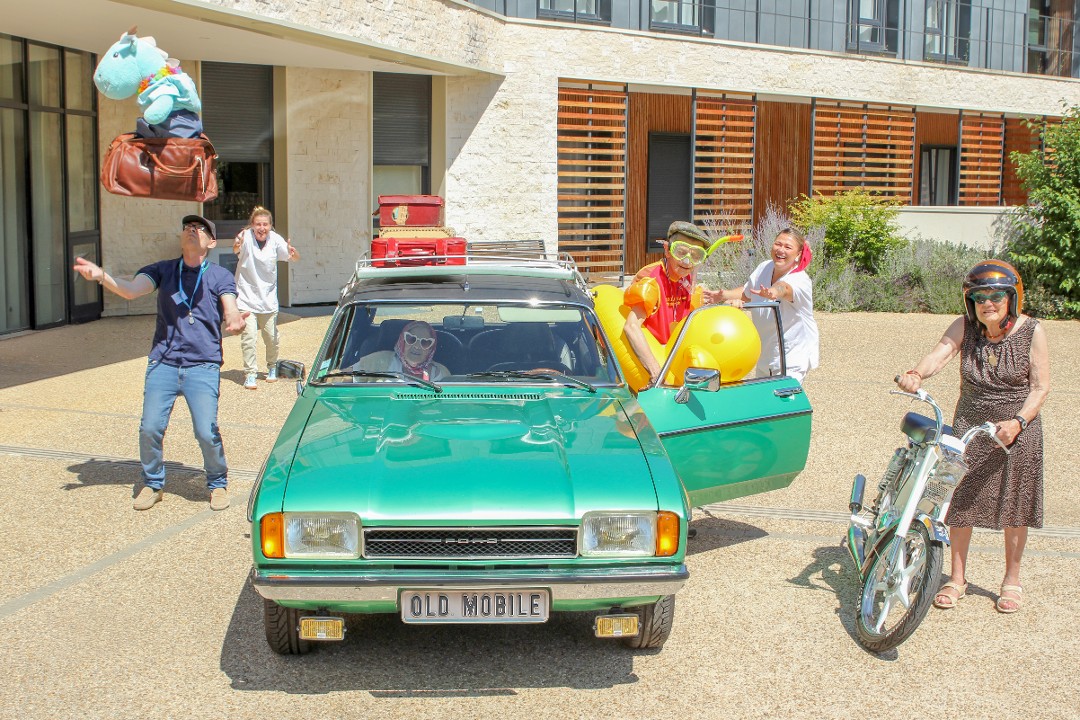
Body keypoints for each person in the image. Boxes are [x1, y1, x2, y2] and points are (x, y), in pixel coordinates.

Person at [897, 259, 1049, 614]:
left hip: (1016, 428)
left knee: (1015, 506)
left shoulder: (1032, 331)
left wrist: (1018, 422)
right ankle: (957, 578)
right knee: (959, 501)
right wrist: (916, 374)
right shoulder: (965, 326)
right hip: (970, 424)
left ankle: (1011, 580)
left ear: (1012, 297)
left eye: (996, 296)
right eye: (979, 297)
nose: (987, 303)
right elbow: (941, 354)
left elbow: (1040, 387)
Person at [73, 215, 248, 511]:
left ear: (212, 242)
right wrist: (102, 276)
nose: (192, 230)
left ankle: (217, 483)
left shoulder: (220, 276)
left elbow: (230, 307)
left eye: (200, 229)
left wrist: (235, 321)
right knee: (150, 428)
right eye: (187, 227)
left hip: (202, 364)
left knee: (206, 431)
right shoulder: (163, 270)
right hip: (163, 362)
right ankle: (153, 483)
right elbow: (130, 290)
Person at [623, 221, 721, 387]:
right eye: (680, 252)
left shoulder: (687, 277)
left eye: (695, 255)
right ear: (667, 250)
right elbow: (631, 327)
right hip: (653, 358)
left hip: (674, 355)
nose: (687, 261)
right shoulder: (650, 279)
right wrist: (656, 374)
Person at [718, 227, 819, 382]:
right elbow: (747, 293)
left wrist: (773, 291)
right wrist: (723, 295)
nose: (781, 250)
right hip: (766, 356)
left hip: (791, 358)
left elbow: (784, 288)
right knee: (764, 397)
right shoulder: (765, 267)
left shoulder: (800, 279)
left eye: (788, 247)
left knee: (784, 397)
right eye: (778, 244)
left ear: (798, 254)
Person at [233, 206, 300, 390]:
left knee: (271, 337)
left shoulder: (275, 239)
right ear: (252, 225)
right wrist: (237, 244)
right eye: (258, 224)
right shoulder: (245, 236)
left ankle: (272, 366)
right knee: (249, 338)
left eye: (265, 224)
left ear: (270, 226)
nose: (261, 228)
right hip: (246, 297)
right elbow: (236, 249)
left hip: (268, 299)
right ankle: (250, 373)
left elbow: (293, 257)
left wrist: (293, 252)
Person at [349, 320, 450, 382]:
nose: (417, 346)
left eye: (425, 342)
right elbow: (346, 377)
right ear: (402, 342)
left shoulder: (441, 373)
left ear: (430, 349)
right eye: (411, 339)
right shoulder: (380, 361)